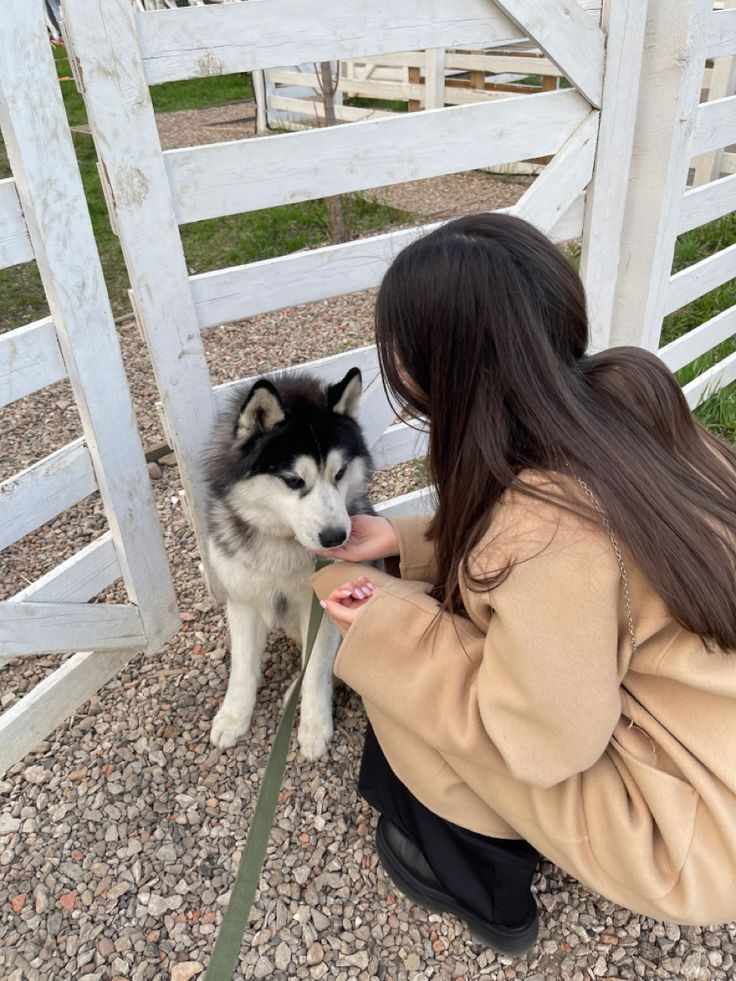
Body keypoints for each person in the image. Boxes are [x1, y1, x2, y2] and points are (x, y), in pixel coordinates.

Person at [311, 213, 736, 954]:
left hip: (695, 836)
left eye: (402, 351)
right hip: (712, 740)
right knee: (421, 623)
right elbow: (570, 564)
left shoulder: (543, 527)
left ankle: (473, 880)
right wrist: (411, 542)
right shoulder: (626, 401)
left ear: (442, 365)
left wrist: (381, 628)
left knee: (395, 656)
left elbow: (542, 742)